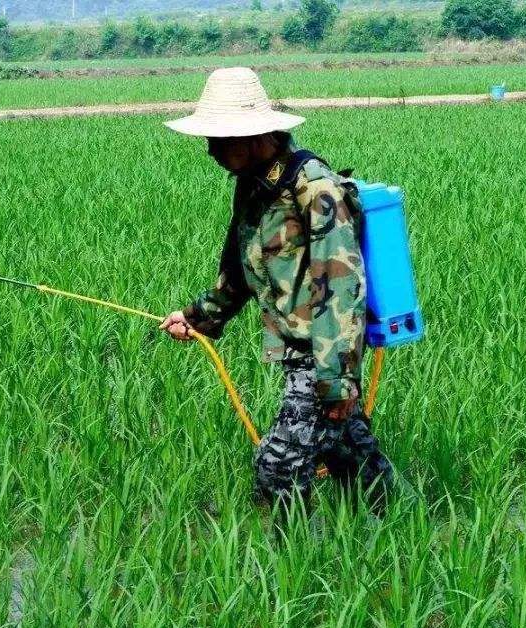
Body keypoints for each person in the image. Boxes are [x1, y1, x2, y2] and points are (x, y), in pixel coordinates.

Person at [159, 67, 393, 518]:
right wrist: (198, 316)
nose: (210, 150)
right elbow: (242, 269)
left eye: (219, 139)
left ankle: (292, 568)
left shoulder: (317, 189)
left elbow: (340, 288)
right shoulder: (255, 187)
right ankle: (393, 525)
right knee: (349, 453)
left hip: (322, 353)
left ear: (256, 135)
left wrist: (337, 379)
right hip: (301, 350)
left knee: (279, 466)